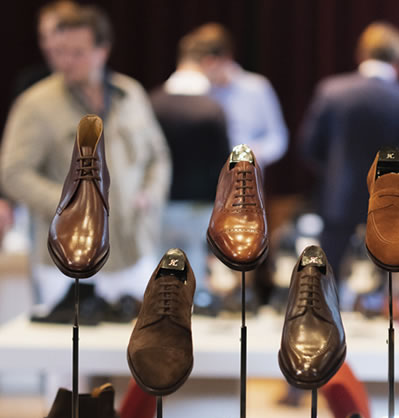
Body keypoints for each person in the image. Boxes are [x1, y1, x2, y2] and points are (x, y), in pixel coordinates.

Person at [0, 5, 171, 307]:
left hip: (133, 250)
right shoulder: (35, 105)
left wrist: (150, 194)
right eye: (59, 52)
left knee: (140, 335)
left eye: (77, 52)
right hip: (66, 260)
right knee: (70, 338)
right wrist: (69, 204)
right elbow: (13, 173)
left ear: (102, 50)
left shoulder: (130, 94)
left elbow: (158, 156)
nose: (65, 61)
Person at [299, 21, 399, 279]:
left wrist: (332, 173)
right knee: (379, 281)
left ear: (361, 54)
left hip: (337, 200)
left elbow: (308, 147)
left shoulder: (331, 91)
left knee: (329, 277)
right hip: (387, 205)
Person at [150, 28, 230, 286]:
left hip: (159, 204)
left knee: (159, 273)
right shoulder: (211, 109)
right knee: (192, 277)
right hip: (199, 207)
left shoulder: (152, 103)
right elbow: (223, 165)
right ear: (208, 63)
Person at [181, 23, 288, 169]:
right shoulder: (198, 92)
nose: (207, 70)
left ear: (226, 58)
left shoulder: (256, 87)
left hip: (247, 176)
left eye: (210, 63)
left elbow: (278, 138)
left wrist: (254, 153)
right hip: (208, 176)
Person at [11, 1, 80, 99]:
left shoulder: (93, 78)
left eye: (57, 32)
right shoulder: (30, 83)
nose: (48, 44)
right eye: (43, 36)